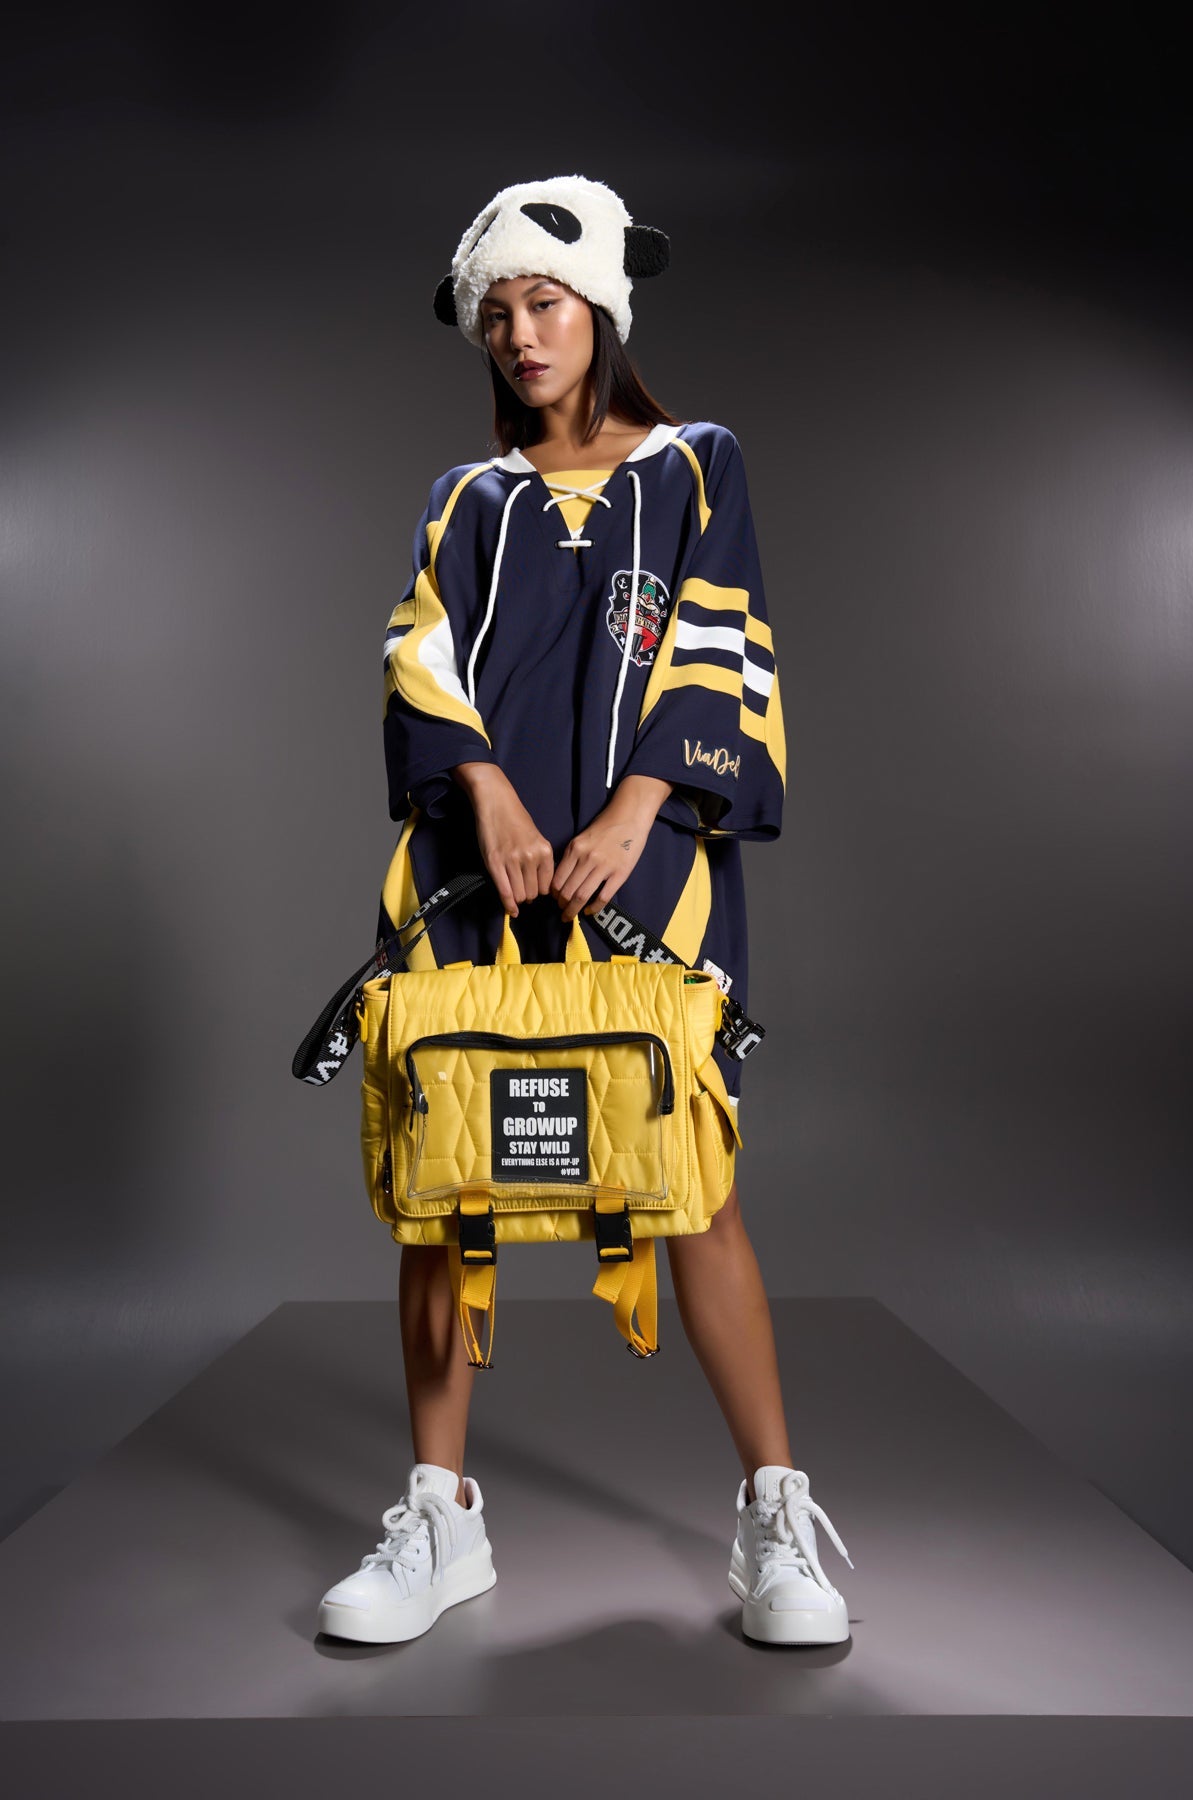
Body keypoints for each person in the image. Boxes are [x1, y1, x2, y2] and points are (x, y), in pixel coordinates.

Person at [316, 175, 854, 1651]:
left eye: (544, 301)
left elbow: (723, 632)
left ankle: (775, 1518)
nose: (520, 334)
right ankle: (440, 1518)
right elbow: (419, 657)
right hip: (473, 876)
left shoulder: (695, 467)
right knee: (443, 1176)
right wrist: (486, 792)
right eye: (495, 314)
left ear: (602, 306)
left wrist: (638, 807)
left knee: (690, 1177)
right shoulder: (464, 500)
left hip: (648, 882)